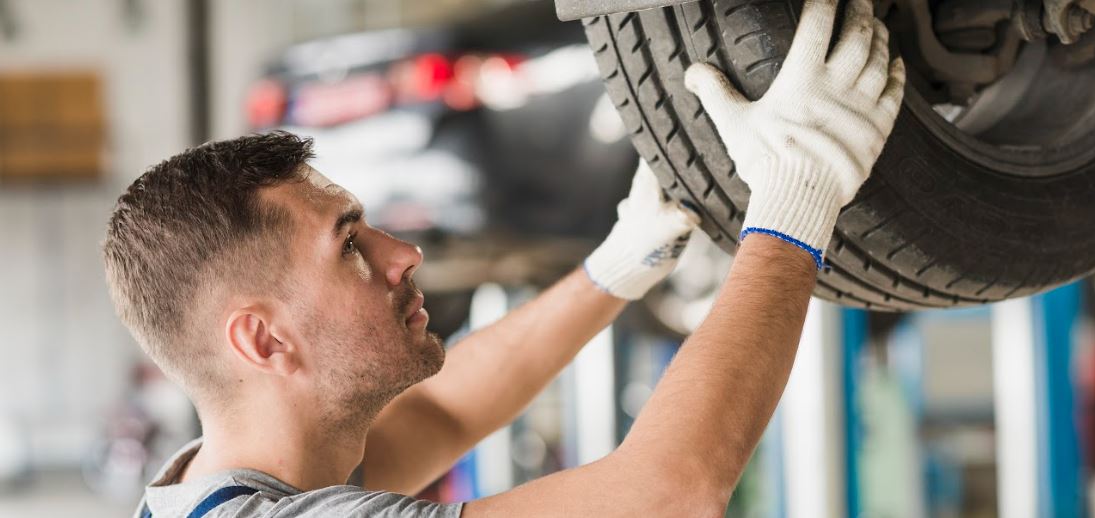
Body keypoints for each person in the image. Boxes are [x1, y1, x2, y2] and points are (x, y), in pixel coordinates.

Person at [102, 0, 904, 516]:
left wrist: (616, 268)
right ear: (264, 342)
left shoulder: (228, 489)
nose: (403, 253)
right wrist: (796, 201)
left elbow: (442, 414)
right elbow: (667, 493)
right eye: (349, 246)